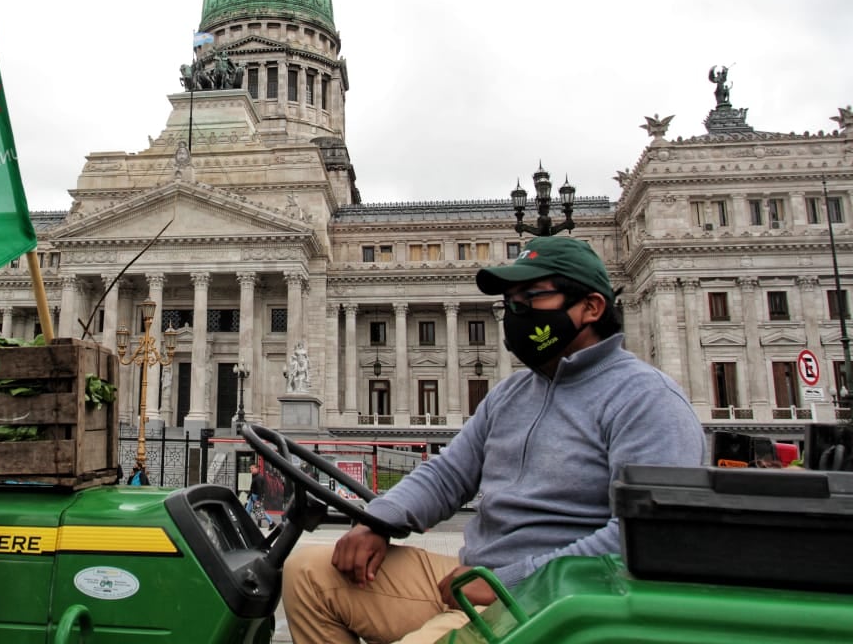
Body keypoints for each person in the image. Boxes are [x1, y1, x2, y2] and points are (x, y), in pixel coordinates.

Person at [282, 235, 705, 644]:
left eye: (531, 300)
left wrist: (512, 581)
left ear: (591, 307)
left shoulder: (647, 400)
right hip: (481, 579)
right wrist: (377, 520)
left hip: (566, 601)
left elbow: (645, 534)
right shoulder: (512, 393)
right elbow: (447, 474)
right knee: (309, 571)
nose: (516, 314)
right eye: (510, 304)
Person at [245, 463, 275, 529]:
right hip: (253, 496)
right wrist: (249, 495)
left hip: (255, 497)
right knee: (247, 511)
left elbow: (260, 489)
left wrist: (258, 499)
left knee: (259, 511)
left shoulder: (258, 477)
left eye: (252, 468)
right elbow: (253, 487)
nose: (251, 470)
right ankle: (246, 524)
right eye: (250, 468)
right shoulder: (256, 476)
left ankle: (271, 522)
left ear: (257, 469)